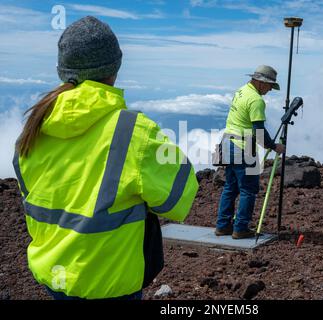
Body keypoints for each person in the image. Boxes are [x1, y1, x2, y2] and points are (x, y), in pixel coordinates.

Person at [12, 16, 198, 300]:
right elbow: (178, 197)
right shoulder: (134, 131)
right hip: (110, 285)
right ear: (115, 68)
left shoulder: (34, 129)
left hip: (54, 279)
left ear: (64, 70)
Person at [215, 65, 284, 239]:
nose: (269, 90)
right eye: (269, 86)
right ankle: (240, 229)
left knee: (230, 187)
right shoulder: (256, 101)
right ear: (261, 82)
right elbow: (259, 131)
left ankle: (222, 226)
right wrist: (274, 146)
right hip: (244, 147)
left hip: (227, 143)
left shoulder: (241, 91)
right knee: (249, 189)